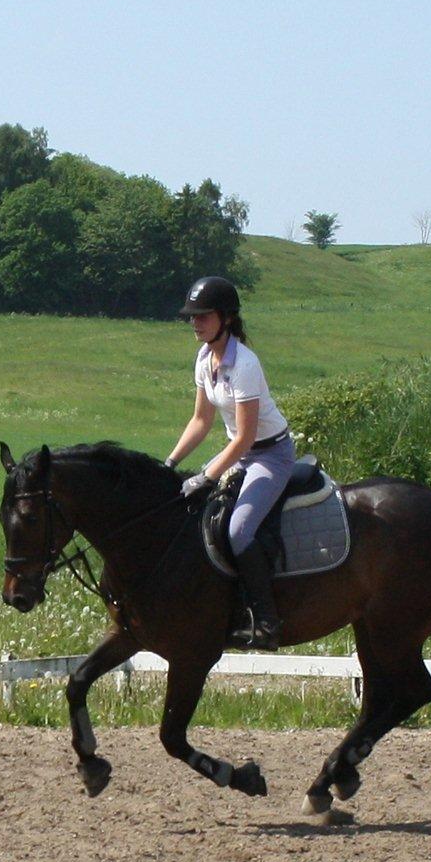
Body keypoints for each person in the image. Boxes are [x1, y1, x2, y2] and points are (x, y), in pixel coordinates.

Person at [164, 276, 295, 650]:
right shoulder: (205, 359)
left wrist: (207, 475)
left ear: (225, 318)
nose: (195, 322)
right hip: (241, 453)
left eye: (202, 316)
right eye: (192, 316)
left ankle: (267, 620)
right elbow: (201, 421)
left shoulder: (245, 364)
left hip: (271, 454)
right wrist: (171, 463)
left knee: (238, 531)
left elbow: (245, 437)